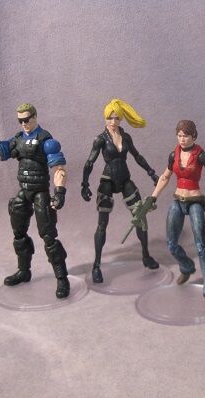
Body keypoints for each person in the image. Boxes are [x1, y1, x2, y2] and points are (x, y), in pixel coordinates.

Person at [0, 103, 70, 298]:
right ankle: (23, 271)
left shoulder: (46, 140)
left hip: (40, 192)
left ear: (35, 117)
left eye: (27, 119)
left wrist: (60, 192)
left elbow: (59, 169)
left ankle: (62, 278)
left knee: (48, 236)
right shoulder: (17, 140)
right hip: (24, 191)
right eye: (20, 120)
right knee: (19, 233)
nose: (24, 123)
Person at [150, 120, 205, 308]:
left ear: (194, 136)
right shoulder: (173, 154)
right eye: (179, 135)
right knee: (171, 244)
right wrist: (153, 197)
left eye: (185, 136)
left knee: (201, 247)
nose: (182, 139)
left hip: (195, 202)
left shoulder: (201, 156)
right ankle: (186, 267)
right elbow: (165, 176)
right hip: (178, 200)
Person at [81, 99, 159, 283]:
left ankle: (146, 255)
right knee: (102, 224)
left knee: (140, 217)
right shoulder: (100, 139)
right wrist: (84, 184)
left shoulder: (126, 137)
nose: (113, 121)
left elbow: (137, 156)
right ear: (105, 118)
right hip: (108, 181)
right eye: (110, 118)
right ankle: (96, 266)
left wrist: (151, 173)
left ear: (121, 119)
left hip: (125, 179)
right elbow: (90, 162)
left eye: (116, 118)